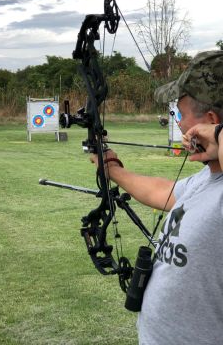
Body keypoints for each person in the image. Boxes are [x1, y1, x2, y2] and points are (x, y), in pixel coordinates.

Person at [91, 50, 223, 344]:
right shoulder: (206, 179)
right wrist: (112, 168)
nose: (178, 123)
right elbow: (163, 192)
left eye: (181, 114)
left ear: (211, 121)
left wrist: (218, 135)